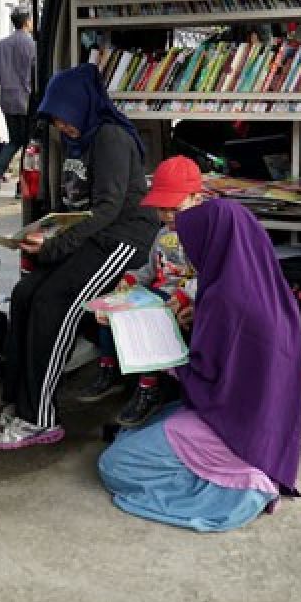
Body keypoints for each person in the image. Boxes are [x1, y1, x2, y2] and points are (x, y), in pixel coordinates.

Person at [97, 198, 301, 531]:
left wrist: (154, 353)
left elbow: (205, 377)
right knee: (132, 433)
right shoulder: (268, 287)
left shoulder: (225, 300)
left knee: (114, 465)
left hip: (233, 428)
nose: (191, 255)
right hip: (267, 425)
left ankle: (245, 486)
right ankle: (237, 473)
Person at [0, 64, 159, 450]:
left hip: (121, 239)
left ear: (82, 105)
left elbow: (108, 209)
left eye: (64, 115)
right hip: (91, 235)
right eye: (56, 118)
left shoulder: (110, 137)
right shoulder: (77, 140)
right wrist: (43, 235)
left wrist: (55, 247)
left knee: (54, 303)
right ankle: (21, 402)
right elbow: (74, 207)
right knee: (26, 295)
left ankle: (41, 419)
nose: (61, 125)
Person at [77, 155, 205, 428]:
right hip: (157, 294)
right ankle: (108, 367)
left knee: (146, 322)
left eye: (175, 209)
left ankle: (149, 387)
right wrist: (131, 280)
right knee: (109, 310)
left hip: (182, 300)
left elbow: (208, 276)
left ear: (197, 199)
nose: (168, 215)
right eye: (162, 209)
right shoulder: (162, 234)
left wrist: (184, 297)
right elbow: (151, 268)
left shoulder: (203, 235)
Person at [0, 6, 36, 195]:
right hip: (27, 101)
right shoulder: (32, 45)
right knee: (29, 143)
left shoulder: (0, 46)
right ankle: (20, 187)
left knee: (15, 140)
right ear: (26, 22)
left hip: (7, 101)